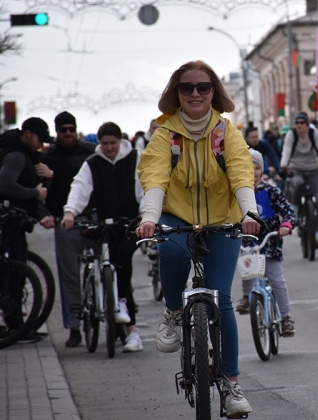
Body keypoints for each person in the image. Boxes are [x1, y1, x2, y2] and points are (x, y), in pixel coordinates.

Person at [136, 60, 259, 416]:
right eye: (186, 87)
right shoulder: (164, 134)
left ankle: (232, 386)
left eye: (203, 87)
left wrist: (250, 214)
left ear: (213, 92)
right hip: (177, 217)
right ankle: (174, 312)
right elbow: (155, 177)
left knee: (220, 300)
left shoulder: (226, 133)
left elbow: (240, 172)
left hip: (222, 219)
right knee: (172, 254)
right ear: (176, 92)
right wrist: (149, 219)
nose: (194, 93)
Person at [61, 122, 145, 352]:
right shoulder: (92, 163)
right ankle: (112, 302)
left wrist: (147, 215)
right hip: (104, 224)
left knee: (122, 259)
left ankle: (131, 329)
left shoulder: (136, 158)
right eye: (104, 144)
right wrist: (70, 212)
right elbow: (79, 187)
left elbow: (146, 188)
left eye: (113, 143)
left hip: (130, 224)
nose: (108, 148)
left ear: (121, 141)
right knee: (108, 263)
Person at [41, 111, 96, 348]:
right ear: (56, 132)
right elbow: (40, 189)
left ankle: (118, 318)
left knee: (109, 265)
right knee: (69, 276)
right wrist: (44, 213)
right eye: (63, 130)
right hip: (65, 219)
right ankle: (74, 326)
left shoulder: (89, 152)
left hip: (93, 216)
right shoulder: (48, 156)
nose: (67, 134)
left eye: (71, 129)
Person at [0, 117, 56, 341]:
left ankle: (17, 324)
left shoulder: (21, 153)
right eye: (39, 139)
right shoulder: (16, 155)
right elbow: (5, 184)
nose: (40, 145)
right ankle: (15, 326)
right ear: (28, 133)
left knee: (16, 269)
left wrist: (45, 180)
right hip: (8, 224)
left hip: (13, 222)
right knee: (15, 272)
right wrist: (35, 193)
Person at [235, 150, 297, 336]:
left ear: (261, 171)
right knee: (246, 271)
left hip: (271, 240)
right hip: (248, 240)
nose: (252, 172)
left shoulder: (271, 191)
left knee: (277, 279)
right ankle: (247, 297)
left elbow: (288, 211)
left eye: (256, 168)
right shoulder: (236, 193)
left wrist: (286, 224)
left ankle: (285, 318)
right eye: (248, 168)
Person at [279, 112, 318, 249]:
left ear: (308, 125)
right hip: (296, 169)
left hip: (313, 169)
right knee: (297, 184)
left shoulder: (314, 134)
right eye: (296, 123)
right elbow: (286, 151)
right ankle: (294, 212)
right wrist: (283, 166)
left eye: (302, 123)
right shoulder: (292, 135)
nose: (299, 125)